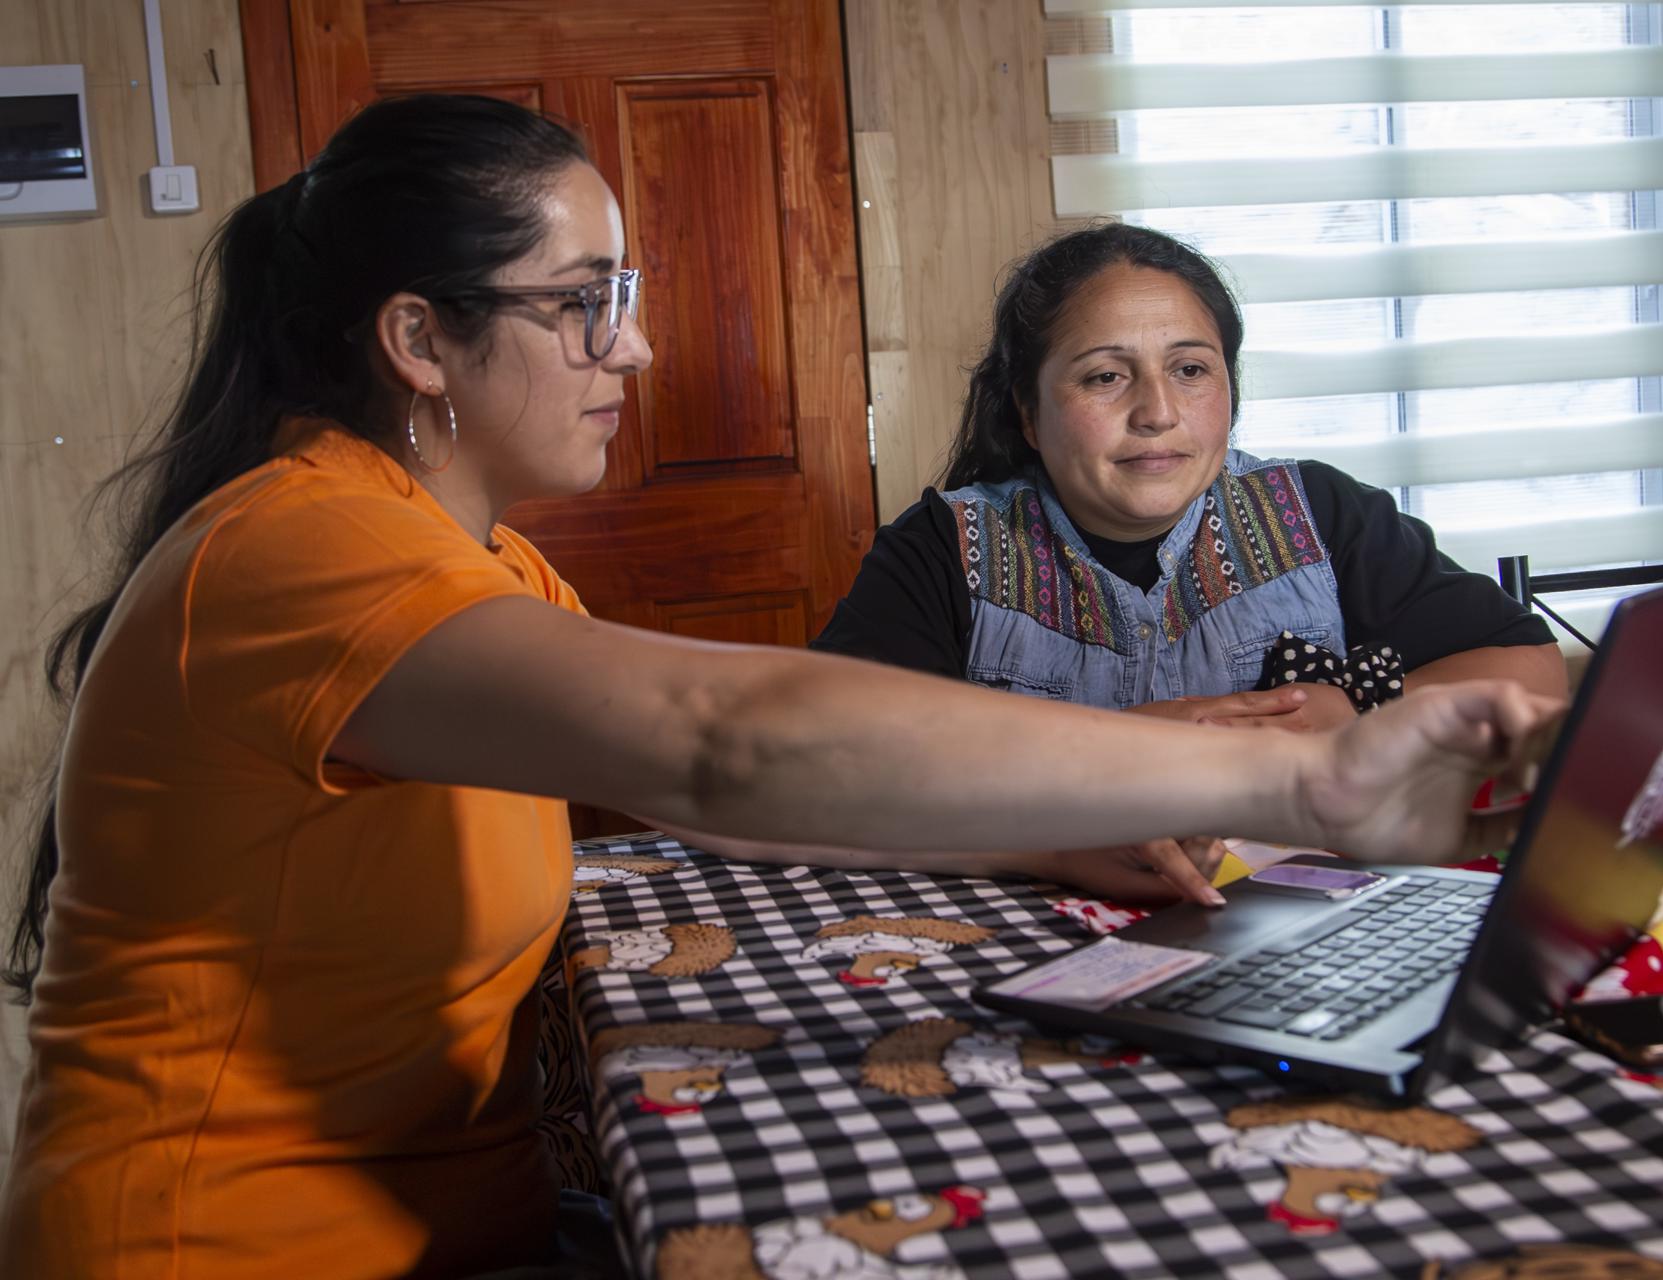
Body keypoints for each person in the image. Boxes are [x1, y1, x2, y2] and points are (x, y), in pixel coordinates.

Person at [0, 96, 1557, 1279]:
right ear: (419, 339)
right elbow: (723, 745)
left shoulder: (475, 569)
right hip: (234, 1244)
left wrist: (1021, 841)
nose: (641, 344)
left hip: (446, 1209)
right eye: (585, 300)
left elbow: (721, 792)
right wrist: (1296, 782)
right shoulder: (302, 552)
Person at [812, 222, 1567, 723]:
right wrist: (1130, 744)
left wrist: (1357, 706)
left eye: (1190, 369)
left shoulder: (1321, 514)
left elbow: (1530, 671)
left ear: (1229, 390)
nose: (1157, 412)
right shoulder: (940, 550)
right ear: (1030, 413)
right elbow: (830, 754)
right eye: (1106, 378)